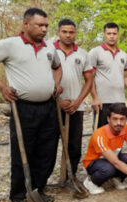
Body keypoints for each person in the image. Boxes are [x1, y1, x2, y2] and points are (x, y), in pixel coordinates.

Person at [0, 8, 62, 202]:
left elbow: (57, 67)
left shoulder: (50, 48)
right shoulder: (10, 44)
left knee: (47, 151)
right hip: (23, 109)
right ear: (26, 24)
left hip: (49, 107)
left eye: (46, 26)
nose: (44, 29)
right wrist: (2, 87)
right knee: (22, 152)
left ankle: (38, 190)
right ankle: (17, 196)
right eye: (40, 25)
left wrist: (56, 84)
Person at [82, 103, 127, 194]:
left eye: (122, 119)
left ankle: (117, 179)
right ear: (108, 119)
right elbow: (115, 162)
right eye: (115, 119)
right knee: (108, 168)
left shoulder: (126, 128)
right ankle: (91, 182)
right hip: (94, 162)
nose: (118, 123)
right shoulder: (100, 135)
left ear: (126, 119)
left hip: (112, 158)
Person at [54, 18, 94, 176]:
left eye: (71, 32)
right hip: (53, 107)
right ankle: (48, 178)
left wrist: (77, 102)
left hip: (76, 108)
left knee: (74, 145)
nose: (68, 35)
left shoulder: (83, 54)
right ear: (58, 32)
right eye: (64, 31)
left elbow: (89, 80)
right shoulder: (50, 51)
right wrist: (58, 102)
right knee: (49, 144)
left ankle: (71, 176)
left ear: (75, 33)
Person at [89, 22, 127, 128]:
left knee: (118, 132)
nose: (111, 36)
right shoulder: (95, 52)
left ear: (118, 35)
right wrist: (95, 98)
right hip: (102, 102)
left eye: (114, 33)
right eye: (109, 33)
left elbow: (125, 78)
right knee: (102, 133)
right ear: (104, 34)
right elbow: (90, 78)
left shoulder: (123, 54)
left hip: (120, 101)